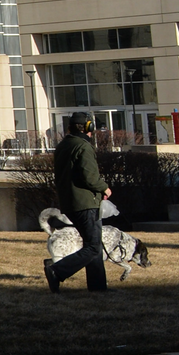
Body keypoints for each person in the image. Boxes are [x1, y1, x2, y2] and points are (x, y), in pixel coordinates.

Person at [46, 114, 111, 293]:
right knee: (93, 246)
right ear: (88, 128)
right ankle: (56, 271)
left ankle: (98, 287)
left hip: (70, 203)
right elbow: (90, 178)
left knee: (93, 244)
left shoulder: (63, 146)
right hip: (86, 203)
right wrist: (104, 188)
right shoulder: (83, 146)